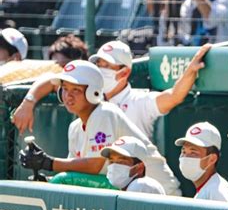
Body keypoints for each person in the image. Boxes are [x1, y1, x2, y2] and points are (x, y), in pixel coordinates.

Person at [18, 60, 180, 195]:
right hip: (131, 194)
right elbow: (75, 171)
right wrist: (49, 180)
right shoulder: (75, 127)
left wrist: (48, 163)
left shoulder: (104, 113)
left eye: (76, 90)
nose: (68, 95)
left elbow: (95, 165)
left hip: (158, 193)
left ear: (93, 92)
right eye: (65, 89)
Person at [12, 41, 211, 142]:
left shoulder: (139, 101)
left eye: (105, 65)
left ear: (124, 72)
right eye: (97, 64)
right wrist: (29, 101)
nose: (99, 69)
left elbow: (174, 96)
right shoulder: (87, 92)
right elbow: (52, 79)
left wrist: (191, 71)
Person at [175, 121, 228, 202]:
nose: (186, 157)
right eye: (184, 152)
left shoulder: (217, 192)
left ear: (212, 159)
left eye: (193, 153)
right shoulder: (208, 188)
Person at [101, 136, 166, 194]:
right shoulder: (127, 188)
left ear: (140, 167)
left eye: (121, 162)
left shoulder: (141, 185)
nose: (114, 166)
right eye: (111, 161)